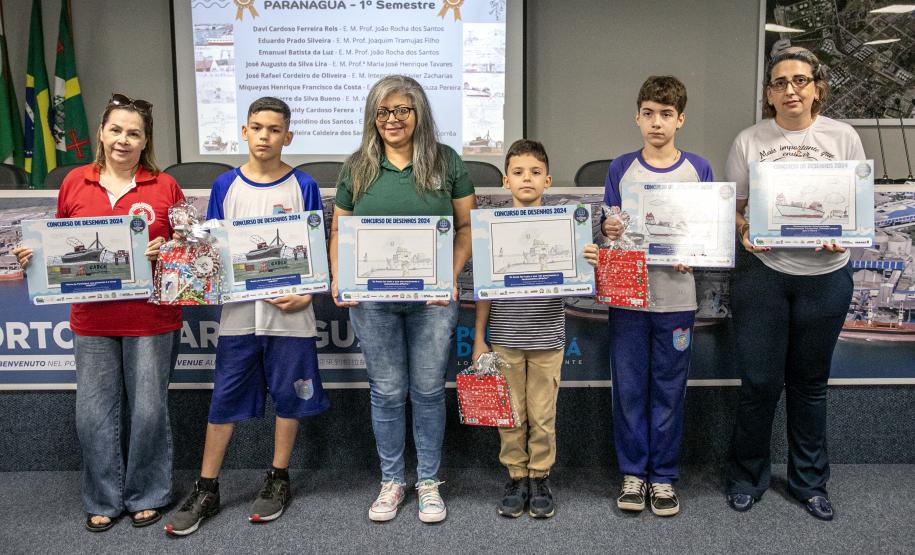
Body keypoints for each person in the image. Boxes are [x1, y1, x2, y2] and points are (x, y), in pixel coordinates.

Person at [14, 94, 184, 531]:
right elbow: (56, 243)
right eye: (116, 130)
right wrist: (32, 255)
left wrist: (169, 251)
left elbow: (190, 252)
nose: (123, 140)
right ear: (101, 133)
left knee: (148, 412)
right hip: (92, 319)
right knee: (93, 414)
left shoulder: (164, 187)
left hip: (150, 318)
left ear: (146, 140)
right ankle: (103, 498)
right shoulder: (74, 182)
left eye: (134, 133)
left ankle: (147, 493)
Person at [164, 97, 330, 536]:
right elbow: (212, 253)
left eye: (275, 130)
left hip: (291, 316)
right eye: (257, 127)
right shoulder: (225, 186)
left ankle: (278, 478)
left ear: (288, 137)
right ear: (243, 131)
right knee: (225, 399)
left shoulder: (304, 185)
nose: (265, 136)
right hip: (238, 315)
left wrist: (309, 294)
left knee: (290, 396)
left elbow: (315, 250)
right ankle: (207, 486)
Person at [724, 47, 863, 521]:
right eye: (780, 83)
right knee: (759, 383)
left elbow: (854, 205)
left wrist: (841, 233)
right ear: (769, 93)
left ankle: (809, 483)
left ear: (816, 88)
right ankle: (747, 477)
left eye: (800, 81)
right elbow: (737, 209)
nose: (791, 90)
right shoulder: (749, 141)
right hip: (763, 277)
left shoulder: (843, 137)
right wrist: (745, 232)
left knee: (810, 385)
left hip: (825, 279)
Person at [329, 75, 476, 523]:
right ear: (373, 118)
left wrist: (450, 275)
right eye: (383, 112)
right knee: (388, 391)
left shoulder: (446, 162)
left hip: (433, 300)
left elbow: (466, 228)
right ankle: (392, 481)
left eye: (401, 111)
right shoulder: (357, 166)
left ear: (418, 115)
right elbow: (339, 228)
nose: (392, 120)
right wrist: (339, 276)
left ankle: (428, 482)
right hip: (373, 301)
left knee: (429, 390)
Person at [600, 76, 713, 517]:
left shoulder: (698, 169)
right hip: (628, 298)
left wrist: (695, 252)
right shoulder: (620, 167)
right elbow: (609, 228)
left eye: (666, 114)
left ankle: (663, 477)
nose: (657, 122)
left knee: (669, 390)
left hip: (676, 300)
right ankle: (633, 474)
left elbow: (707, 232)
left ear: (680, 119)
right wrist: (608, 230)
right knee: (629, 389)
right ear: (637, 116)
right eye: (648, 113)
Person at [471, 139, 598, 519]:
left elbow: (582, 274)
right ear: (506, 182)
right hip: (506, 338)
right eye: (519, 172)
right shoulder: (490, 229)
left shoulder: (566, 227)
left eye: (536, 172)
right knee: (510, 414)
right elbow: (483, 289)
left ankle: (540, 476)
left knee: (543, 415)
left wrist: (587, 256)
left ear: (548, 181)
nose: (527, 178)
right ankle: (515, 475)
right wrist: (480, 337)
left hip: (547, 338)